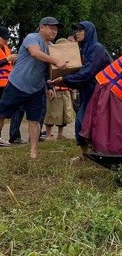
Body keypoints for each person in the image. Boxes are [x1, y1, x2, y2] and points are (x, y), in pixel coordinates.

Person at [0, 17, 68, 158]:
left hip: (36, 89)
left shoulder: (51, 46)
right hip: (17, 84)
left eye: (56, 29)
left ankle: (33, 153)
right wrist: (57, 60)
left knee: (34, 120)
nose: (54, 31)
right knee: (2, 114)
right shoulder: (32, 38)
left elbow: (46, 69)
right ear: (41, 27)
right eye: (51, 28)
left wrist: (50, 86)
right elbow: (35, 53)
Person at [49, 21, 113, 156]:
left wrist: (66, 79)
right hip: (88, 92)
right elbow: (81, 75)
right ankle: (87, 155)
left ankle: (95, 155)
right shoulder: (83, 50)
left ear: (88, 32)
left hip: (100, 93)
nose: (76, 33)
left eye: (80, 30)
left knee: (85, 123)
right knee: (84, 124)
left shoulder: (97, 48)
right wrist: (63, 80)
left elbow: (87, 73)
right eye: (76, 30)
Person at [44, 38, 75, 140]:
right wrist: (49, 87)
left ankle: (60, 134)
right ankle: (48, 134)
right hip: (54, 89)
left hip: (66, 89)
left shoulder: (71, 60)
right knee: (52, 112)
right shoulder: (50, 59)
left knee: (64, 113)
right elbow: (47, 73)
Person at [0, 26, 18, 145]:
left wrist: (13, 60)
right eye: (4, 38)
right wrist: (7, 59)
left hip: (5, 85)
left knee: (2, 113)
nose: (6, 41)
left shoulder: (6, 48)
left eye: (7, 38)